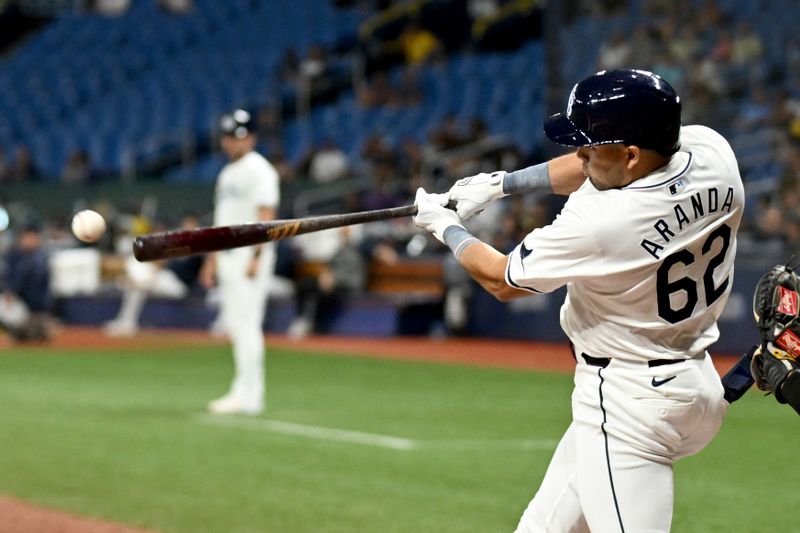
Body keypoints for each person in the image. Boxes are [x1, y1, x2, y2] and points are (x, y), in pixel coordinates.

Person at [414, 69, 744, 532]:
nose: (580, 154)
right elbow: (594, 167)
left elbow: (501, 279)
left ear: (630, 155)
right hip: (693, 382)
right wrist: (501, 184)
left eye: (590, 145)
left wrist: (444, 227)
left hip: (628, 404)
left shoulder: (601, 222)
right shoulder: (712, 152)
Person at [200, 109, 281, 416]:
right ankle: (242, 388)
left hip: (250, 253)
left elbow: (266, 217)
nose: (233, 142)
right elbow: (222, 221)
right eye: (229, 136)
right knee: (236, 323)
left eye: (239, 135)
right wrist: (211, 261)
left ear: (251, 137)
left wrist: (257, 257)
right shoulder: (227, 173)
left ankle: (251, 393)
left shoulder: (260, 170)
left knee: (247, 323)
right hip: (229, 254)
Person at [104, 214, 204, 337]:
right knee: (137, 283)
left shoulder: (199, 247)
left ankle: (128, 321)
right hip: (166, 279)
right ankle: (126, 321)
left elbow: (201, 272)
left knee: (139, 285)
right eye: (186, 225)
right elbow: (161, 263)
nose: (188, 228)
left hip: (180, 285)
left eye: (192, 225)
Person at [0, 223, 52, 342]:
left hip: (34, 309)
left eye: (33, 237)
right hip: (15, 303)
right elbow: (5, 280)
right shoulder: (12, 256)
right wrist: (8, 292)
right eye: (27, 237)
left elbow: (37, 292)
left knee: (35, 333)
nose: (30, 240)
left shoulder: (40, 259)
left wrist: (12, 292)